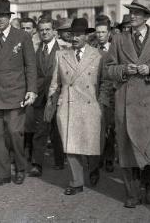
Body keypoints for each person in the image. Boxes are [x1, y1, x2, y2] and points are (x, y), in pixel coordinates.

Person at [105, 0, 150, 208]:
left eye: (137, 12)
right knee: (127, 148)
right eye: (131, 12)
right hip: (126, 102)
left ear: (146, 16)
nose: (132, 16)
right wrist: (123, 70)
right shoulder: (118, 39)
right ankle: (132, 193)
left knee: (148, 148)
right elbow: (108, 69)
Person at [0, 0, 37, 186]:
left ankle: (20, 167)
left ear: (9, 17)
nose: (0, 19)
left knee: (14, 132)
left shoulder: (22, 37)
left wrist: (32, 90)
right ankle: (2, 173)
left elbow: (31, 66)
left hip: (16, 90)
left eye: (3, 15)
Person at [45, 18, 105, 195]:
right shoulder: (61, 55)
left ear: (87, 36)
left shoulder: (98, 55)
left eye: (79, 34)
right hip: (68, 105)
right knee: (71, 145)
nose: (75, 38)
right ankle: (76, 182)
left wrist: (102, 105)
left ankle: (93, 168)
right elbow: (55, 83)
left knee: (91, 145)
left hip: (91, 105)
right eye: (73, 34)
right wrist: (51, 103)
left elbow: (104, 83)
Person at [27, 17, 64, 178]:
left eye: (48, 29)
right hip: (40, 95)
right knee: (40, 130)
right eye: (41, 30)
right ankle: (37, 164)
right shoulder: (35, 49)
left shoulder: (63, 49)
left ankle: (59, 159)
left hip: (58, 95)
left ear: (54, 31)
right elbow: (32, 72)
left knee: (58, 130)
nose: (45, 32)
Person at [95, 18, 116, 173]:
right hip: (98, 93)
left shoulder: (115, 49)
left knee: (111, 128)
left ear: (109, 34)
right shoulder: (92, 50)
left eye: (103, 32)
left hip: (114, 94)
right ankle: (99, 158)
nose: (100, 35)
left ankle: (109, 157)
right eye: (98, 32)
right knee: (98, 128)